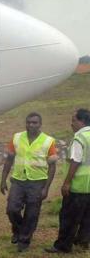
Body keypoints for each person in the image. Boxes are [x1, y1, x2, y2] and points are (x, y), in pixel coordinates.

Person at [0, 112, 58, 252]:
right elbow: (9, 159)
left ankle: (24, 241)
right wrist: (3, 180)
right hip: (18, 180)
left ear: (40, 124)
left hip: (37, 182)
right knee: (12, 209)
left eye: (34, 123)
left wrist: (46, 188)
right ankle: (19, 230)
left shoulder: (48, 141)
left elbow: (52, 166)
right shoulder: (17, 137)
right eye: (28, 122)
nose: (31, 125)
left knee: (32, 213)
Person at [46, 108, 90, 253]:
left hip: (79, 186)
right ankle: (83, 241)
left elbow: (75, 162)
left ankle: (63, 246)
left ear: (82, 121)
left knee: (68, 217)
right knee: (87, 216)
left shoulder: (80, 138)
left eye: (74, 120)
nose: (71, 124)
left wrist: (67, 182)